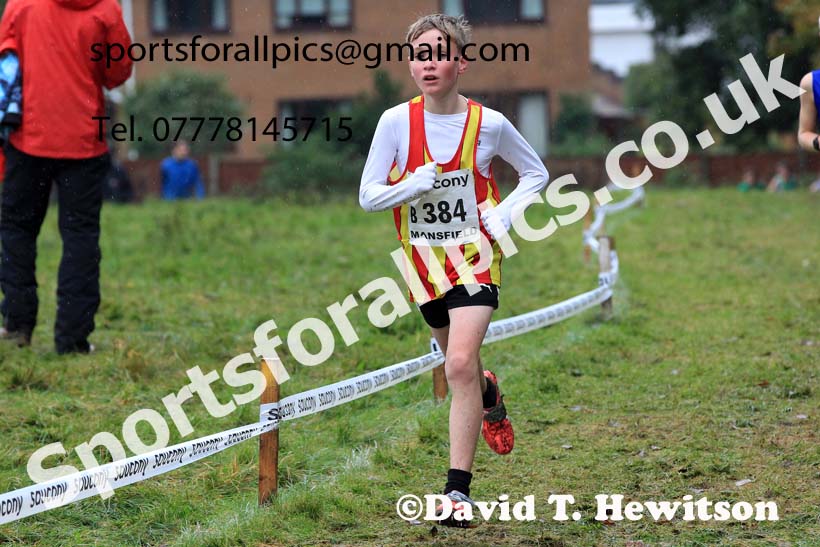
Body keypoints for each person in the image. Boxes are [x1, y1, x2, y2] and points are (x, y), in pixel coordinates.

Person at [359, 14, 549, 526]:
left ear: (460, 62)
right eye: (420, 54)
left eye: (439, 53)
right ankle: (488, 392)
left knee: (457, 363)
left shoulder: (490, 124)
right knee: (461, 366)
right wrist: (411, 186)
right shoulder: (395, 122)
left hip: (476, 259)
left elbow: (537, 173)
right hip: (421, 267)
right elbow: (368, 195)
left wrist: (505, 213)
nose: (429, 63)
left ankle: (456, 493)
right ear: (410, 63)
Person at [0, 0, 133, 353]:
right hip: (83, 142)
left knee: (16, 231)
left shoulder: (21, 4)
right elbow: (117, 72)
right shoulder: (106, 9)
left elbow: (5, 58)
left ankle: (17, 326)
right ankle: (72, 340)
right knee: (80, 238)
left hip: (28, 137)